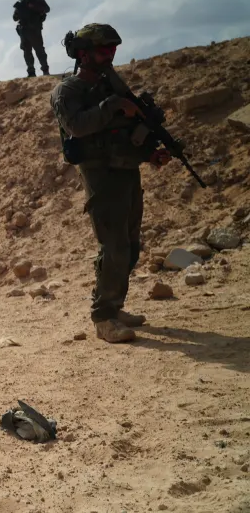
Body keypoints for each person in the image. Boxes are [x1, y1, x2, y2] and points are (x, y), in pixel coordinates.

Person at [50, 23, 172, 344]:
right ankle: (103, 317)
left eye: (112, 51)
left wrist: (151, 154)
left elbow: (126, 131)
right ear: (84, 54)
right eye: (104, 51)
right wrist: (112, 106)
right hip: (100, 175)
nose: (109, 56)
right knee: (114, 246)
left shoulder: (113, 88)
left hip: (126, 170)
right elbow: (76, 126)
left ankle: (115, 307)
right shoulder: (69, 91)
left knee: (130, 247)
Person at [13, 0, 51, 77]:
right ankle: (31, 71)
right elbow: (15, 17)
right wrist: (19, 11)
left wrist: (33, 7)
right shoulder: (21, 1)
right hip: (24, 29)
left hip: (34, 28)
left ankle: (45, 69)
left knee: (39, 50)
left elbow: (47, 9)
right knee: (27, 51)